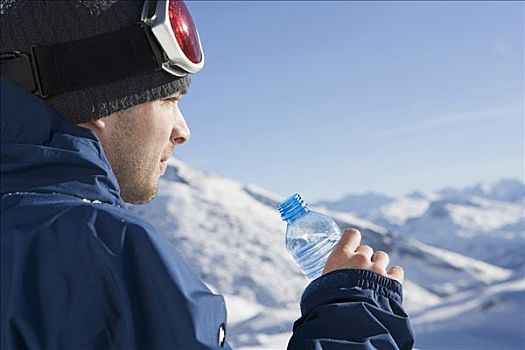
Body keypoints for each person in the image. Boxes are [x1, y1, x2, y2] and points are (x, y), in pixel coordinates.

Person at [0, 1, 414, 349]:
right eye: (167, 98)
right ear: (98, 105)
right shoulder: (104, 250)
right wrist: (357, 316)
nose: (183, 131)